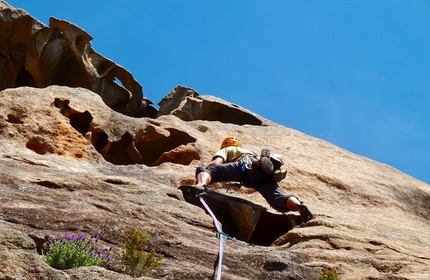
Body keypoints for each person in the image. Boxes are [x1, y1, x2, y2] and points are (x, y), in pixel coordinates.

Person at [179, 136, 313, 223]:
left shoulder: (229, 149)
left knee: (207, 171)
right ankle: (298, 206)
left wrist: (208, 178)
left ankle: (200, 185)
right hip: (263, 179)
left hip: (245, 168)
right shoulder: (248, 151)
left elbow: (216, 164)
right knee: (280, 199)